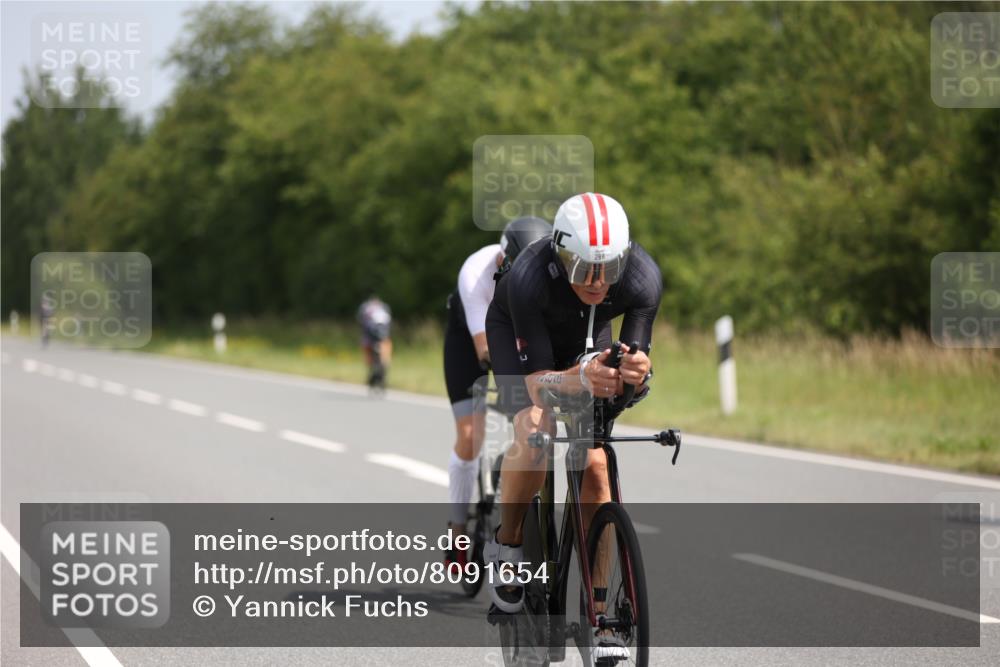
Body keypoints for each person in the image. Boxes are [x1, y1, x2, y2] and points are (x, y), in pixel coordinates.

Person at [484, 193, 661, 661]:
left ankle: (602, 617)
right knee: (535, 430)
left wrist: (635, 372)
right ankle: (508, 545)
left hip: (587, 334)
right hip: (521, 336)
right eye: (584, 270)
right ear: (562, 256)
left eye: (609, 269)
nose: (599, 283)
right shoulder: (528, 278)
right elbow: (539, 385)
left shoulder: (642, 278)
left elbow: (632, 360)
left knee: (597, 462)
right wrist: (578, 376)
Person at [442, 217, 551, 572]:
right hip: (471, 342)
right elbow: (485, 350)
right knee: (471, 437)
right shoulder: (476, 272)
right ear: (502, 261)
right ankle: (458, 532)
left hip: (518, 337)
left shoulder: (549, 272)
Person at [357, 295, 392, 391]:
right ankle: (379, 377)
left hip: (373, 339)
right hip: (376, 339)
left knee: (379, 359)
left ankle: (376, 376)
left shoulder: (366, 309)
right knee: (382, 360)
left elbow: (361, 323)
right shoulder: (383, 309)